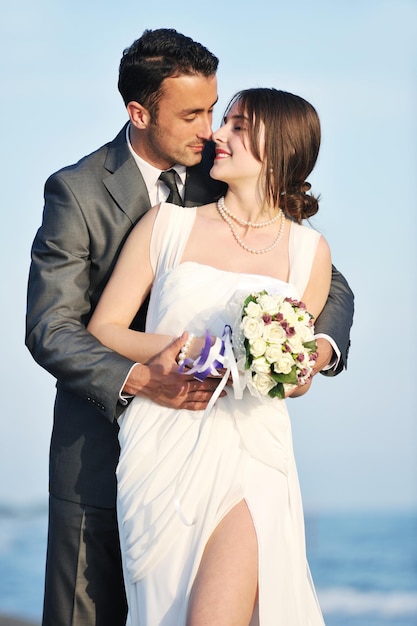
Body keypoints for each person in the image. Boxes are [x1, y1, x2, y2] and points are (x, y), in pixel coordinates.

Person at [25, 28, 353, 626]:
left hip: (245, 445)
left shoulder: (222, 175)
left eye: (219, 113)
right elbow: (53, 327)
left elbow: (326, 286)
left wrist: (309, 353)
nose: (211, 131)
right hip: (109, 445)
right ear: (140, 112)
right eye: (197, 115)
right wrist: (148, 375)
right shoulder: (78, 192)